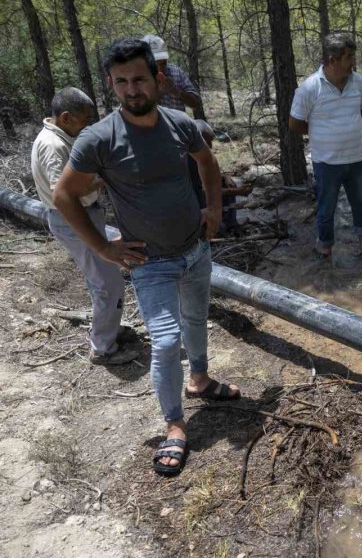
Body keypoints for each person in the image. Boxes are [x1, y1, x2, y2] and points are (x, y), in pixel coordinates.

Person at [53, 37, 240, 477]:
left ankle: (200, 379)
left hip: (195, 250)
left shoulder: (179, 124)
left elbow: (208, 165)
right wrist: (102, 247)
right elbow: (64, 196)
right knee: (166, 340)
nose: (132, 89)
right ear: (111, 86)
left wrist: (213, 208)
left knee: (196, 321)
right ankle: (175, 424)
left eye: (139, 79)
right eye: (122, 82)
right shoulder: (98, 139)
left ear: (156, 79)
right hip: (149, 262)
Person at [30, 87, 133, 365]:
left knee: (101, 278)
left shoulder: (58, 137)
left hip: (81, 215)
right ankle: (102, 348)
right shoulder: (53, 145)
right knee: (108, 284)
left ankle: (108, 330)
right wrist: (101, 180)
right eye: (84, 119)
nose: (87, 125)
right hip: (73, 218)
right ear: (66, 117)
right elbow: (61, 195)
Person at [288, 32, 362, 259]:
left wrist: (344, 127)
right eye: (349, 57)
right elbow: (294, 122)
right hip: (326, 161)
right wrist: (320, 132)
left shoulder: (358, 82)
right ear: (332, 60)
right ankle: (324, 248)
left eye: (353, 56)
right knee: (326, 208)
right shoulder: (309, 88)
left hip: (356, 158)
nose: (353, 62)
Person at [191, 119, 252, 233]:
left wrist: (226, 177)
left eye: (211, 142)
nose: (210, 146)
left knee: (227, 183)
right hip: (195, 208)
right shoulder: (188, 160)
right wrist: (235, 192)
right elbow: (202, 192)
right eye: (207, 142)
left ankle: (231, 222)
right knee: (219, 229)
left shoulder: (201, 155)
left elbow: (211, 174)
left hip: (204, 201)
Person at [141, 34, 203, 115]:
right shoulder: (137, 78)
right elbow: (138, 110)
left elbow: (196, 103)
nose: (160, 69)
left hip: (178, 126)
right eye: (154, 64)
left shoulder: (176, 72)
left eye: (163, 63)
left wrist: (177, 92)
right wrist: (159, 92)